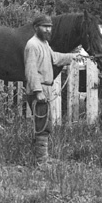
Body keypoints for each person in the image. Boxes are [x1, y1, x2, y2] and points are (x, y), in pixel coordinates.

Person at [24, 14, 80, 163]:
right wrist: (38, 91)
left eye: (50, 27)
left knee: (46, 124)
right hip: (39, 90)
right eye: (45, 26)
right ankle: (40, 161)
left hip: (45, 89)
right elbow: (31, 70)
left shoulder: (44, 44)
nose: (48, 30)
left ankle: (44, 157)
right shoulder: (32, 45)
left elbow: (54, 58)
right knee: (41, 124)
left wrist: (73, 57)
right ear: (36, 28)